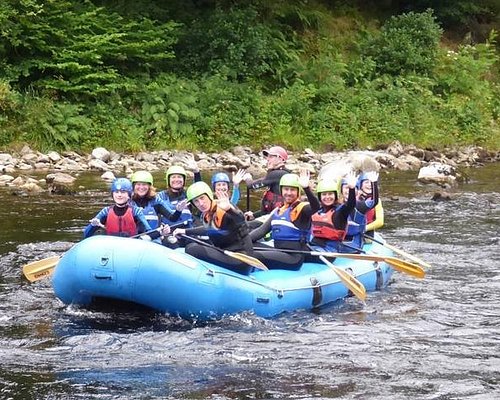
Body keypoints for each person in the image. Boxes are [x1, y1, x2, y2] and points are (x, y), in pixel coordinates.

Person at [172, 181, 255, 274]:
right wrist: (184, 231)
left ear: (209, 196)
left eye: (202, 198)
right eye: (196, 201)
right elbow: (208, 229)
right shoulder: (206, 215)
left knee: (192, 249)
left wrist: (229, 210)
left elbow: (240, 220)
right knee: (193, 245)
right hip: (226, 253)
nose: (201, 203)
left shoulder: (224, 208)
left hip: (240, 259)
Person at [250, 169, 320, 270]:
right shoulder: (278, 211)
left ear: (298, 192)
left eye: (292, 190)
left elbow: (316, 208)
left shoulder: (301, 209)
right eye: (286, 189)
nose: (289, 193)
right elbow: (260, 231)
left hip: (293, 258)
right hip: (279, 252)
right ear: (281, 190)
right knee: (247, 246)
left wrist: (307, 188)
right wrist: (240, 242)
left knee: (254, 255)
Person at [83, 177, 169, 240]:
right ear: (112, 195)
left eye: (123, 192)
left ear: (129, 195)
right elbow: (86, 235)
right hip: (111, 247)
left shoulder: (136, 211)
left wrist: (161, 232)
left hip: (130, 247)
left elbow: (148, 231)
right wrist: (93, 226)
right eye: (116, 192)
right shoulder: (106, 211)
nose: (119, 195)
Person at [309, 173, 357, 252]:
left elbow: (351, 205)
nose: (327, 197)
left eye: (330, 194)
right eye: (324, 194)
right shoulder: (319, 211)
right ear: (320, 197)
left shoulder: (340, 212)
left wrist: (352, 189)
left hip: (329, 251)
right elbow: (312, 201)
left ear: (335, 196)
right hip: (314, 246)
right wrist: (306, 188)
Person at [244, 146, 290, 221]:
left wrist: (247, 178)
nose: (268, 159)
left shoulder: (277, 174)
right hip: (273, 215)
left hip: (277, 218)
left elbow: (251, 185)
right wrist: (254, 215)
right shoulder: (282, 173)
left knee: (245, 227)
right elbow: (267, 210)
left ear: (281, 159)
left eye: (271, 157)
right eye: (268, 157)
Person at [339, 171, 379, 252]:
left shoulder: (360, 206)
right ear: (341, 190)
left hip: (354, 245)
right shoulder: (336, 206)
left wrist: (374, 183)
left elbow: (374, 201)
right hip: (337, 243)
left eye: (353, 188)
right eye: (346, 188)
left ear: (357, 190)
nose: (349, 191)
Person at [158, 157, 201, 227]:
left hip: (187, 232)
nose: (176, 179)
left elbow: (198, 190)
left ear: (184, 180)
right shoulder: (160, 196)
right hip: (167, 233)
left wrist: (196, 172)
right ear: (168, 180)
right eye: (173, 177)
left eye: (179, 177)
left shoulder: (188, 194)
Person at [356, 172, 384, 237]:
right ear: (361, 185)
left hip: (367, 233)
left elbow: (380, 221)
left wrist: (364, 228)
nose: (370, 185)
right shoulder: (353, 198)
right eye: (366, 182)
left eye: (371, 182)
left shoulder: (377, 201)